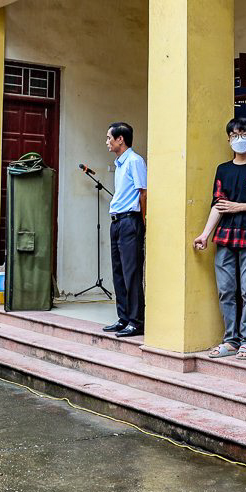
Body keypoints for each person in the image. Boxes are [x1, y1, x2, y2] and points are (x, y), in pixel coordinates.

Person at [194, 118, 246, 359]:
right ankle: (230, 340)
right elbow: (218, 204)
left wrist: (239, 207)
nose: (239, 139)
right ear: (228, 140)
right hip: (225, 237)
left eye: (243, 133)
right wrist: (205, 234)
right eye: (234, 135)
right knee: (226, 290)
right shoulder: (223, 169)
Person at [104, 122, 146, 337]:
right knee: (118, 272)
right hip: (117, 221)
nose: (107, 142)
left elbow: (143, 192)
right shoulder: (120, 164)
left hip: (131, 220)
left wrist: (143, 222)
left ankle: (137, 321)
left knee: (132, 273)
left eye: (110, 138)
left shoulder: (134, 161)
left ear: (121, 139)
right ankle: (123, 318)